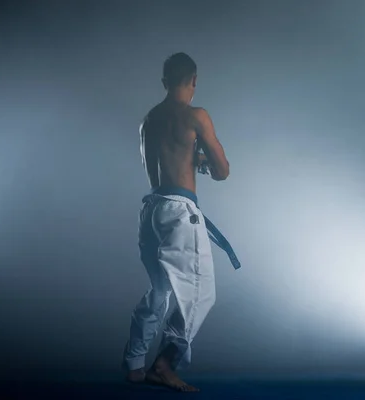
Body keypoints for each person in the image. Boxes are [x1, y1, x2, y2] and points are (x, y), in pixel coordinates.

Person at [122, 52, 230, 392]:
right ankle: (164, 364)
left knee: (160, 290)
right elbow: (223, 171)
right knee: (201, 294)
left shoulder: (148, 119)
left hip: (151, 208)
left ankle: (135, 363)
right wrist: (206, 159)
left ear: (165, 82)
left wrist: (193, 156)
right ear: (194, 81)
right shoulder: (197, 116)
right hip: (179, 213)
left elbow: (168, 157)